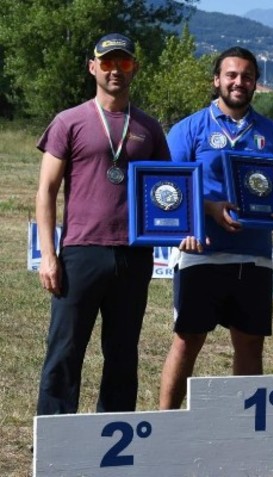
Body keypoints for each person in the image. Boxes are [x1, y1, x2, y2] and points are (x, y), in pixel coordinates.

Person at [159, 47, 273, 409]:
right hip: (201, 253)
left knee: (250, 343)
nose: (239, 82)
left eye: (246, 76)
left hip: (254, 255)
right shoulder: (189, 129)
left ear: (256, 82)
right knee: (187, 340)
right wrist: (208, 208)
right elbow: (166, 189)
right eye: (231, 75)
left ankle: (243, 429)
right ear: (217, 80)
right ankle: (165, 423)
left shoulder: (272, 133)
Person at [36, 33, 171, 414]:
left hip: (134, 254)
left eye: (124, 63)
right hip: (81, 252)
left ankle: (114, 440)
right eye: (107, 62)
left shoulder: (149, 128)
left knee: (123, 353)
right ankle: (56, 436)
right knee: (64, 350)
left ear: (135, 69)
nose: (115, 70)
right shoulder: (69, 121)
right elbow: (46, 190)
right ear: (92, 67)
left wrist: (195, 216)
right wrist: (49, 255)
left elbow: (170, 190)